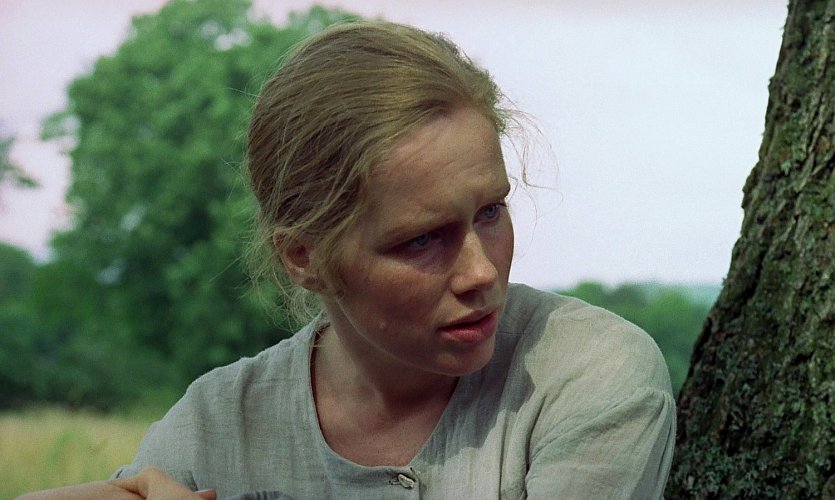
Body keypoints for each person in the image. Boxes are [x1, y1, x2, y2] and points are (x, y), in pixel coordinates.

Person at [21, 21, 675, 499]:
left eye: (490, 212)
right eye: (421, 240)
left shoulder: (584, 375)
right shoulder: (215, 427)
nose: (481, 273)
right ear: (304, 256)